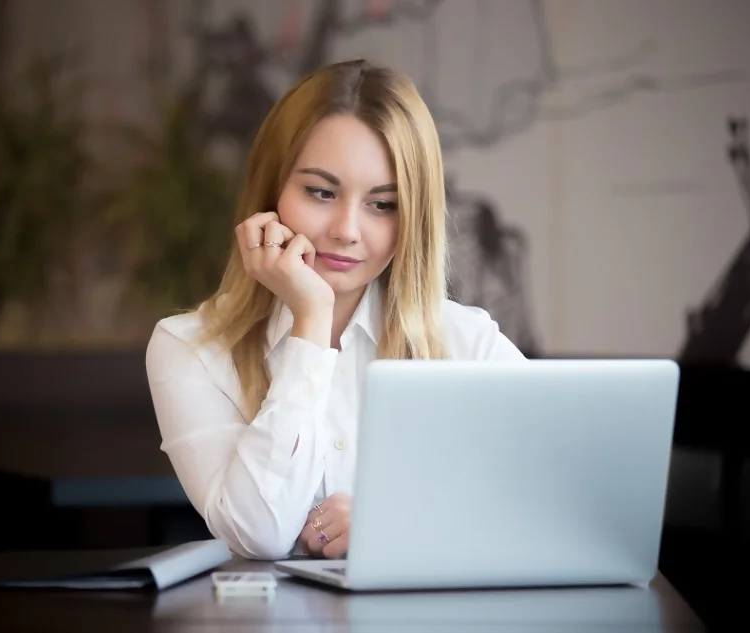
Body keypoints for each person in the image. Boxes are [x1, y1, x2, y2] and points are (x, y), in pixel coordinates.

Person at [145, 59, 527, 561]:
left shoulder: (467, 343)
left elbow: (550, 503)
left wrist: (393, 522)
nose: (346, 230)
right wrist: (311, 323)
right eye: (321, 193)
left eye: (383, 204)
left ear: (413, 217)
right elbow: (259, 533)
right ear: (270, 191)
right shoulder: (190, 348)